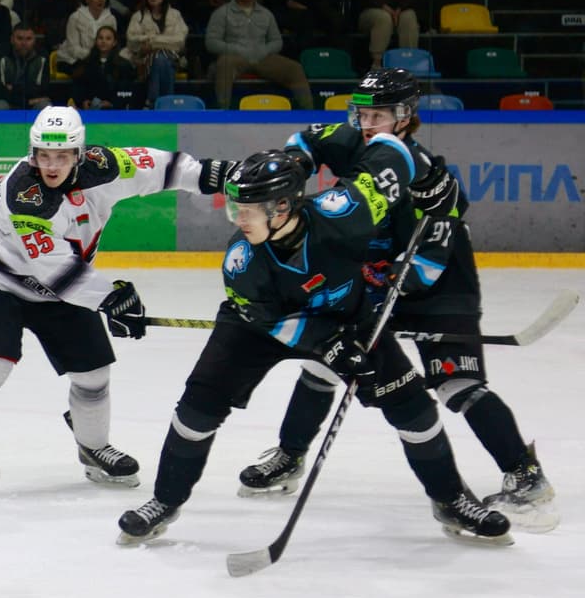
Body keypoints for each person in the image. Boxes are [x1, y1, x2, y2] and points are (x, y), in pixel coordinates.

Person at [117, 148, 512, 547]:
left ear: (283, 206)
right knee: (198, 407)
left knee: (415, 410)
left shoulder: (346, 211)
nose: (239, 219)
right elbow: (272, 322)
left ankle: (451, 499)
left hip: (348, 318)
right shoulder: (242, 260)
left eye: (249, 210)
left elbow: (393, 154)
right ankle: (165, 500)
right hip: (258, 327)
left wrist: (432, 179)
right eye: (236, 208)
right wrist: (329, 345)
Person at [235, 69, 557, 532]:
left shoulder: (427, 175)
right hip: (377, 273)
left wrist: (396, 283)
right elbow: (303, 142)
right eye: (362, 114)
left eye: (379, 115)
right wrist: (297, 166)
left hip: (442, 282)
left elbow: (429, 261)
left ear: (405, 116)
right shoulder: (352, 138)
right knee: (324, 361)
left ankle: (524, 474)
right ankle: (289, 454)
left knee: (456, 384)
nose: (367, 124)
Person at [0, 106, 239, 493]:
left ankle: (93, 446)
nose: (51, 166)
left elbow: (161, 167)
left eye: (62, 156)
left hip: (62, 290)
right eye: (43, 156)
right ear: (33, 153)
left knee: (93, 375)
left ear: (79, 154)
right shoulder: (25, 196)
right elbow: (54, 271)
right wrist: (111, 299)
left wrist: (218, 174)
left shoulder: (104, 166)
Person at [205, 0, 314, 109]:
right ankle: (223, 114)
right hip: (235, 58)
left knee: (295, 69)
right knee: (224, 64)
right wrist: (237, 49)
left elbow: (277, 41)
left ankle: (309, 115)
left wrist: (265, 50)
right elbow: (211, 42)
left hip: (262, 57)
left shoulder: (266, 14)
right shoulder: (222, 13)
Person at [123, 0, 186, 107]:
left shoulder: (175, 15)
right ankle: (167, 103)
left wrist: (152, 42)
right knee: (159, 58)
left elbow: (179, 41)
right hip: (144, 60)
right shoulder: (138, 16)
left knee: (160, 57)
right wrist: (163, 43)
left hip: (173, 59)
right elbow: (132, 41)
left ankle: (152, 102)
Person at [0, 23, 50, 110]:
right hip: (5, 101)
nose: (24, 43)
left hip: (31, 101)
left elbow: (43, 89)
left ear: (34, 40)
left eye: (28, 39)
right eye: (19, 38)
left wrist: (12, 88)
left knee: (45, 106)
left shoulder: (42, 56)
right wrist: (28, 101)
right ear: (12, 39)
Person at [71, 25, 137, 109]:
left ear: (114, 42)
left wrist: (112, 103)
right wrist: (83, 101)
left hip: (114, 110)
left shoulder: (124, 65)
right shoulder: (86, 63)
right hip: (89, 109)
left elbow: (127, 92)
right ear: (96, 41)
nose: (103, 41)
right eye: (100, 38)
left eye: (108, 38)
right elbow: (79, 87)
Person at [55, 0, 115, 71]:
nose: (100, 0)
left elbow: (111, 44)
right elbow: (73, 48)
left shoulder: (111, 19)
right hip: (72, 60)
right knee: (91, 70)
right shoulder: (75, 17)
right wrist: (94, 57)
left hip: (100, 60)